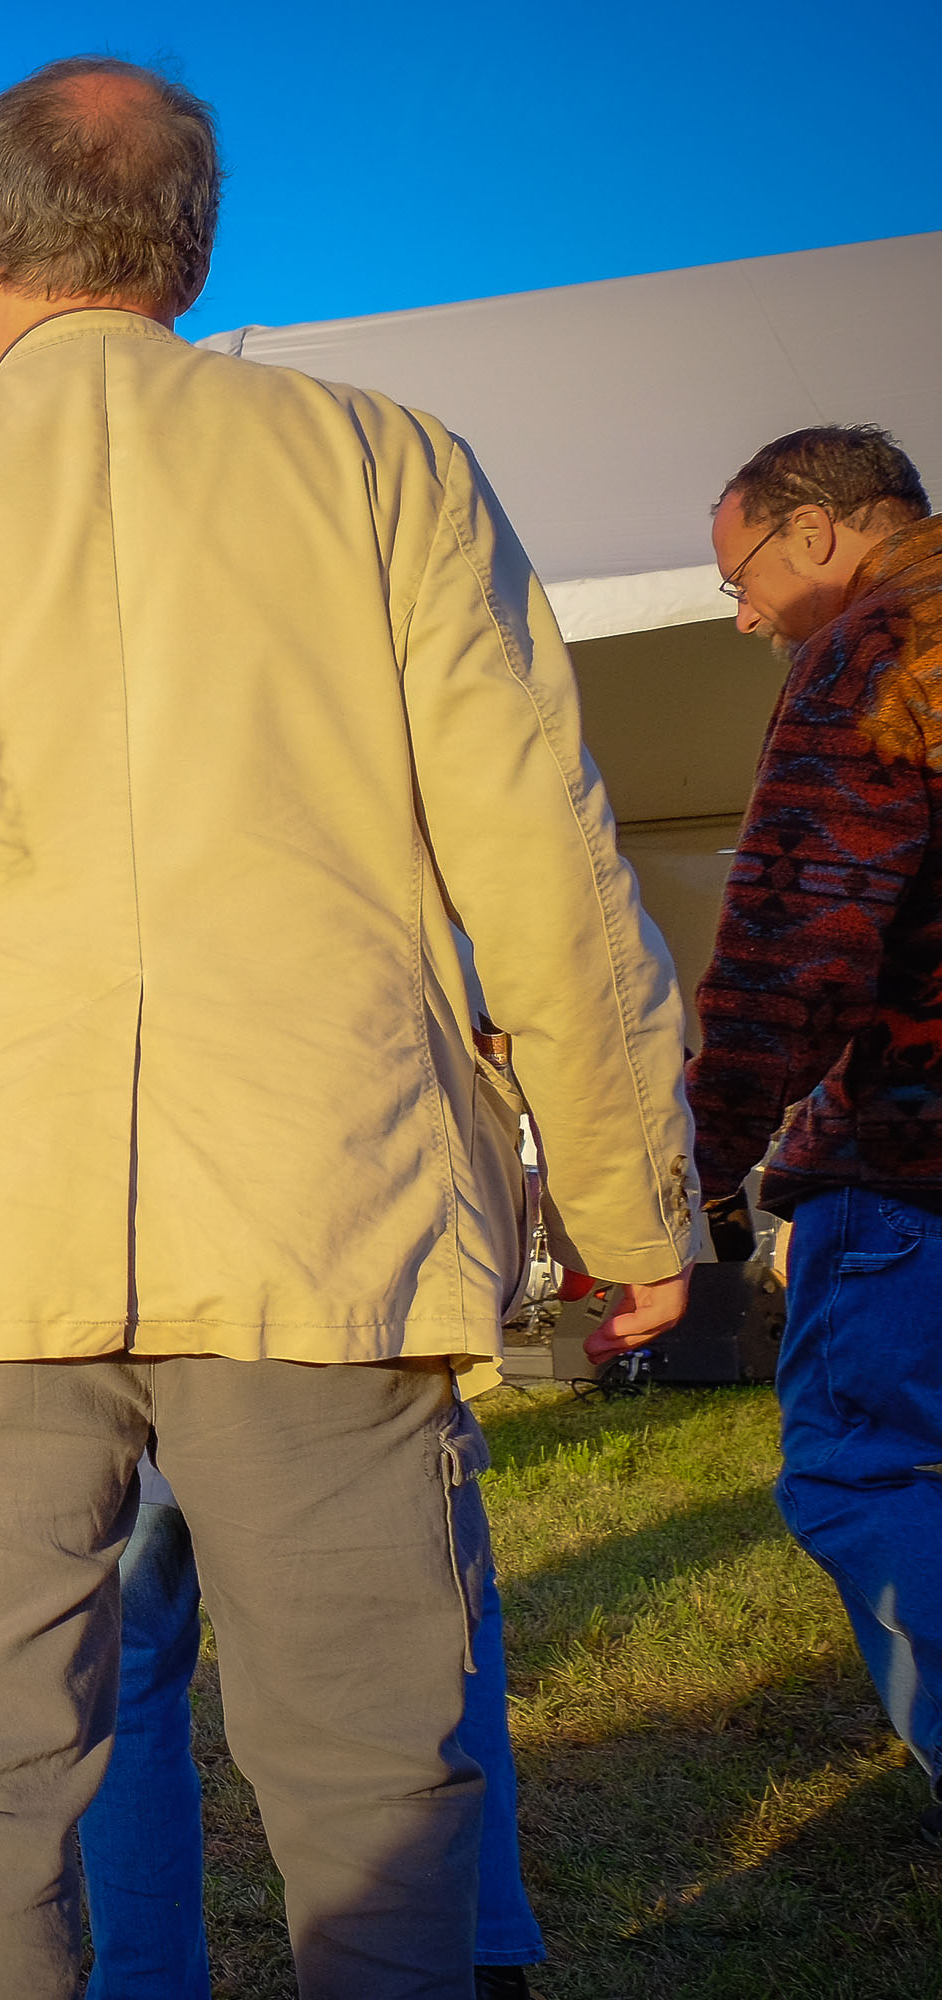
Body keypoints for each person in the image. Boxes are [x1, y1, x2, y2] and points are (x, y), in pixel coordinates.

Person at [0, 56, 693, 1999]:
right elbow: (542, 857)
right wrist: (630, 1198)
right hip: (327, 1219)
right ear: (190, 247)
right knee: (381, 1825)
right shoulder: (388, 468)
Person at [680, 424, 942, 1833]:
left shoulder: (876, 647)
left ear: (819, 530)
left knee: (862, 1469)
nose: (743, 616)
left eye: (743, 579)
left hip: (914, 1150)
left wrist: (703, 1155)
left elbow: (798, 938)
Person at [77, 1456, 550, 1999]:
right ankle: (475, 1957)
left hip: (127, 1444)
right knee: (434, 1619)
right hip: (316, 1435)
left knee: (127, 1679)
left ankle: (146, 1987)